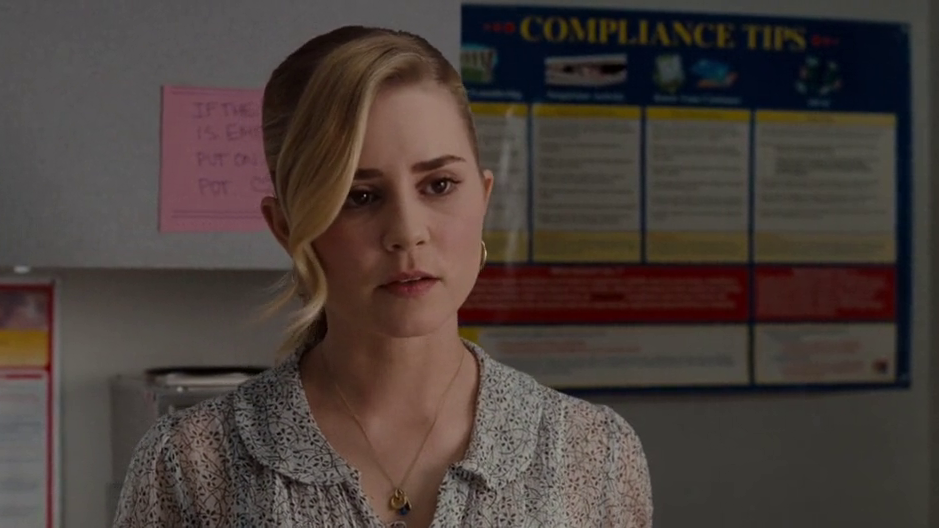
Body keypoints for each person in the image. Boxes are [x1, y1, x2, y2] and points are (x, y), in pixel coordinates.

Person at [113, 25, 653, 527]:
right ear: (287, 227)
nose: (407, 233)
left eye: (439, 185)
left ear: (484, 196)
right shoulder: (190, 463)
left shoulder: (594, 453)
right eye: (360, 196)